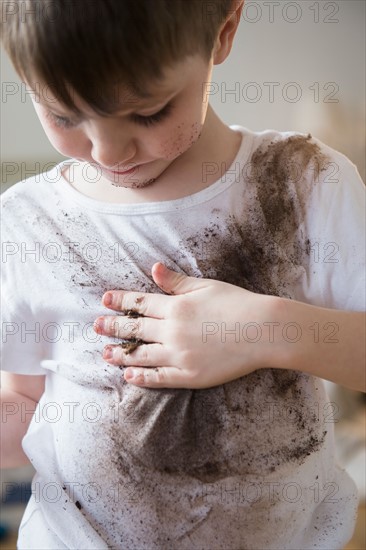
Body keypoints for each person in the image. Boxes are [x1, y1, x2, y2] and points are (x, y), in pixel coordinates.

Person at [1, 1, 365, 548]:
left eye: (147, 113)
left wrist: (264, 328)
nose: (107, 151)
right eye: (63, 115)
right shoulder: (27, 221)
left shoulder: (304, 183)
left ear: (224, 31)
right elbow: (22, 400)